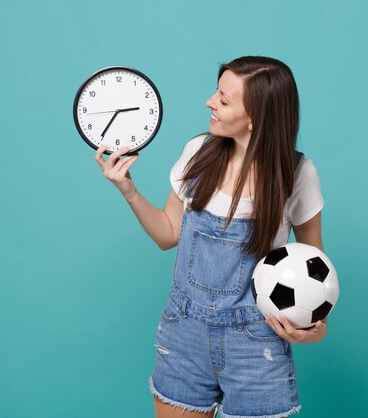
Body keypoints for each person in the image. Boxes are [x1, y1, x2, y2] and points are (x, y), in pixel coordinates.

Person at [94, 56, 327, 418]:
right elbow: (167, 234)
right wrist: (128, 190)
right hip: (183, 332)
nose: (209, 102)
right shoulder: (198, 153)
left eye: (223, 98)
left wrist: (315, 328)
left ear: (256, 116)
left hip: (256, 343)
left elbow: (314, 270)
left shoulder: (297, 174)